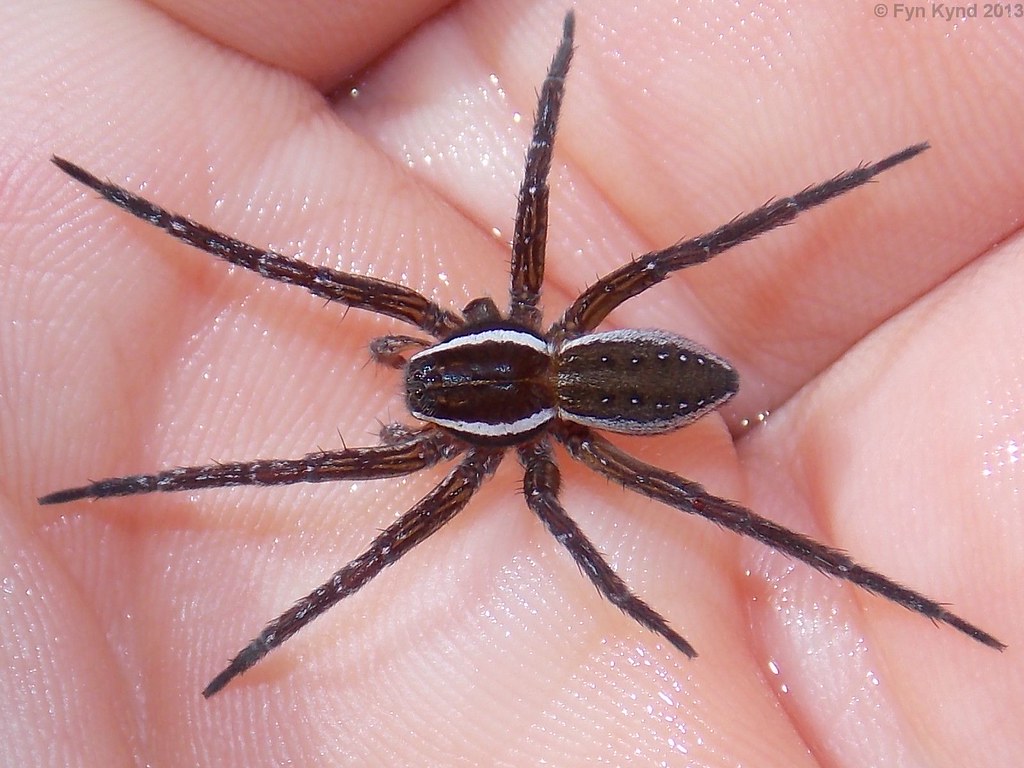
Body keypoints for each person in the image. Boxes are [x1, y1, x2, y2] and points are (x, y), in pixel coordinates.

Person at [3, 2, 1020, 764]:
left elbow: (380, 525)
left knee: (332, 470)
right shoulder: (525, 377)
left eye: (431, 367)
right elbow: (525, 178)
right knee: (331, 421)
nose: (425, 381)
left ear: (456, 340)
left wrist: (627, 598)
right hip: (588, 372)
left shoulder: (522, 451)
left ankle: (913, 598)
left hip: (597, 379)